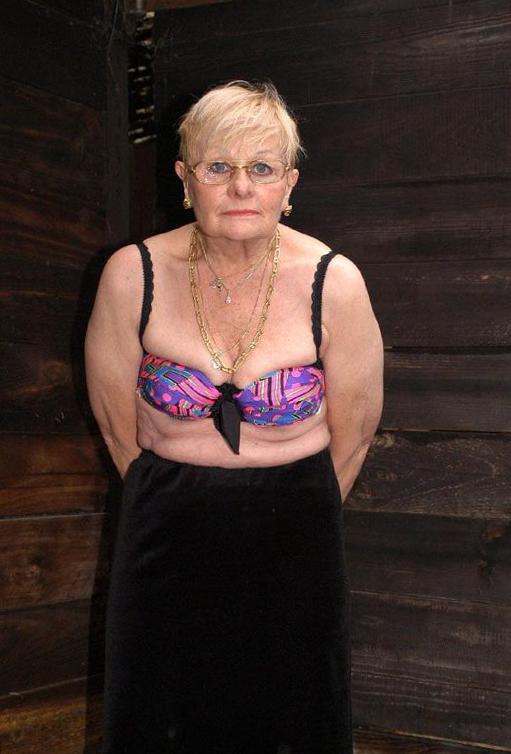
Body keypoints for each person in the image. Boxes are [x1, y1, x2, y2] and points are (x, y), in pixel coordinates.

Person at [85, 80, 383, 754]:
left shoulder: (334, 282)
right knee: (158, 712)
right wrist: (174, 498)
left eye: (262, 168)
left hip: (295, 533)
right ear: (185, 178)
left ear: (289, 183)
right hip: (163, 531)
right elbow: (113, 423)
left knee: (290, 714)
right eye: (218, 167)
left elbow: (355, 434)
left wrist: (292, 514)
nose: (241, 186)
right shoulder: (132, 274)